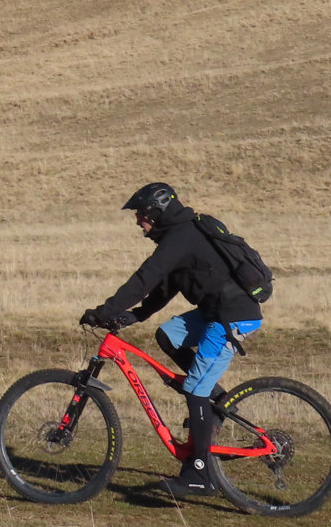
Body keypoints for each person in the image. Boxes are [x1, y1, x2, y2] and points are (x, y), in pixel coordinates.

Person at [79, 181, 264, 499]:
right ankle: (211, 397)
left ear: (156, 211)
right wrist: (136, 315)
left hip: (231, 316)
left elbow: (145, 278)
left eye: (140, 214)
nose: (138, 221)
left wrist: (105, 310)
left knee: (194, 388)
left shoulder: (181, 237)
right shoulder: (179, 236)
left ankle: (200, 476)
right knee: (168, 335)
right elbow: (167, 285)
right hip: (215, 312)